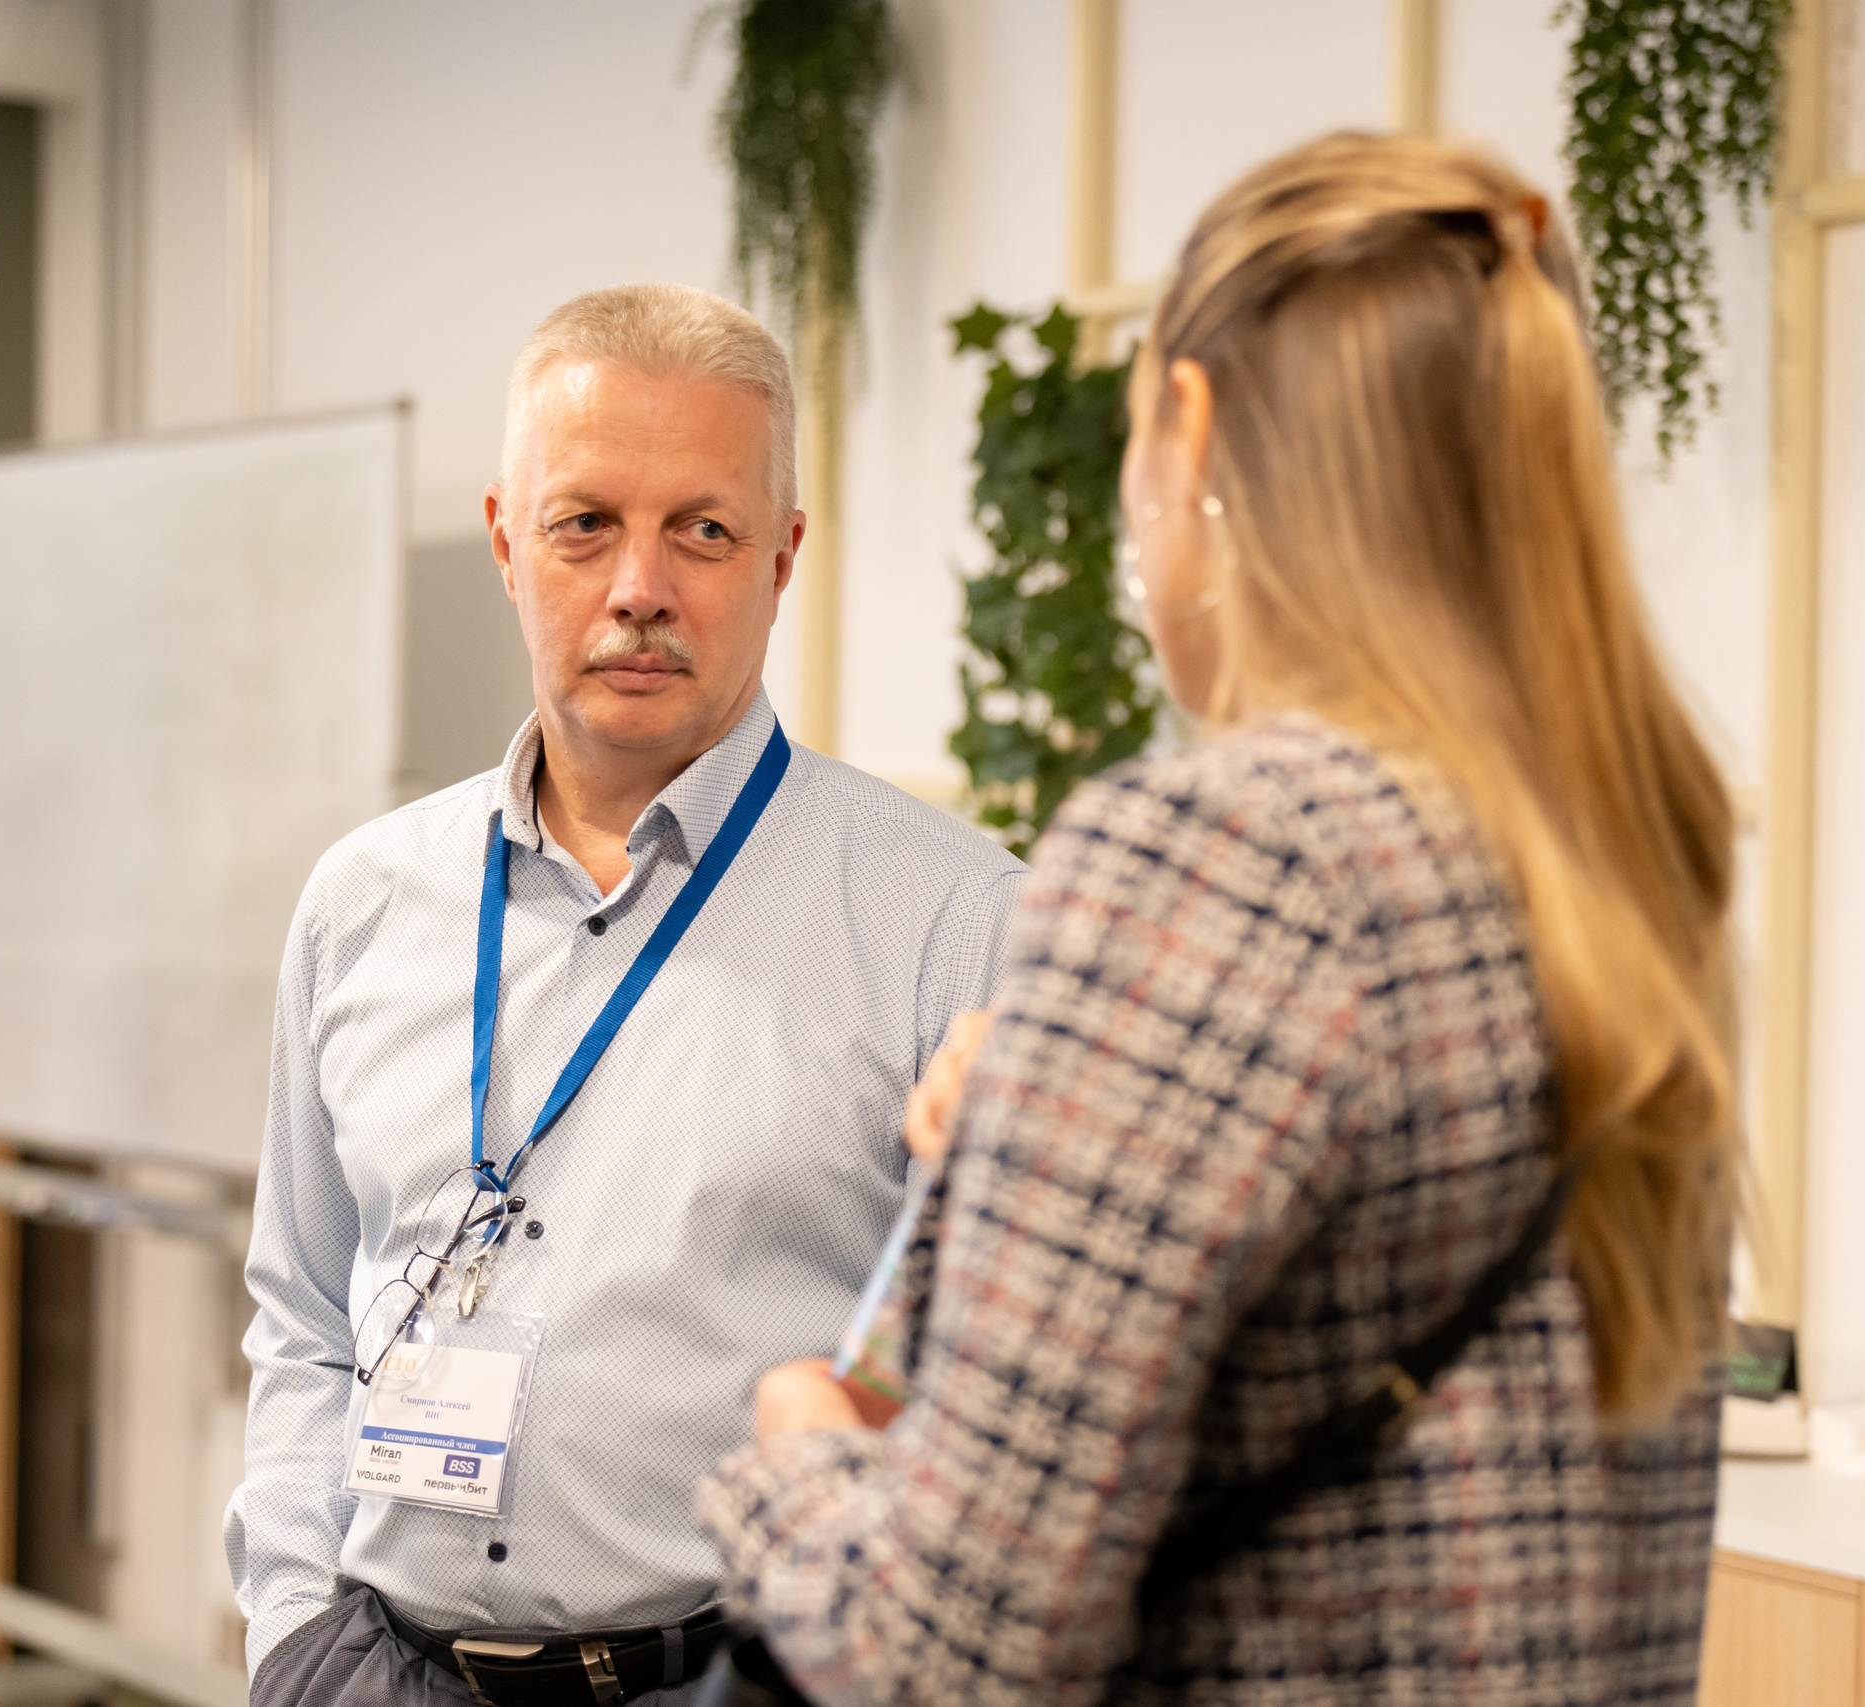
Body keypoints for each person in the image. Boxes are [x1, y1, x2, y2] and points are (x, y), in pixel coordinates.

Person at [704, 133, 1740, 1705]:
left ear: (1187, 430)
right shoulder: (1628, 857)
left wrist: (791, 1459)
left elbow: (943, 1658)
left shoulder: (1228, 852)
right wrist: (1053, 1135)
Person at [228, 283, 1025, 1706]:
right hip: (374, 1672)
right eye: (584, 523)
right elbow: (300, 1312)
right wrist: (291, 1632)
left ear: (782, 559)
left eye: (702, 530)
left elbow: (996, 1388)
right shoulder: (363, 905)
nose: (639, 586)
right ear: (505, 544)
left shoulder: (955, 922)